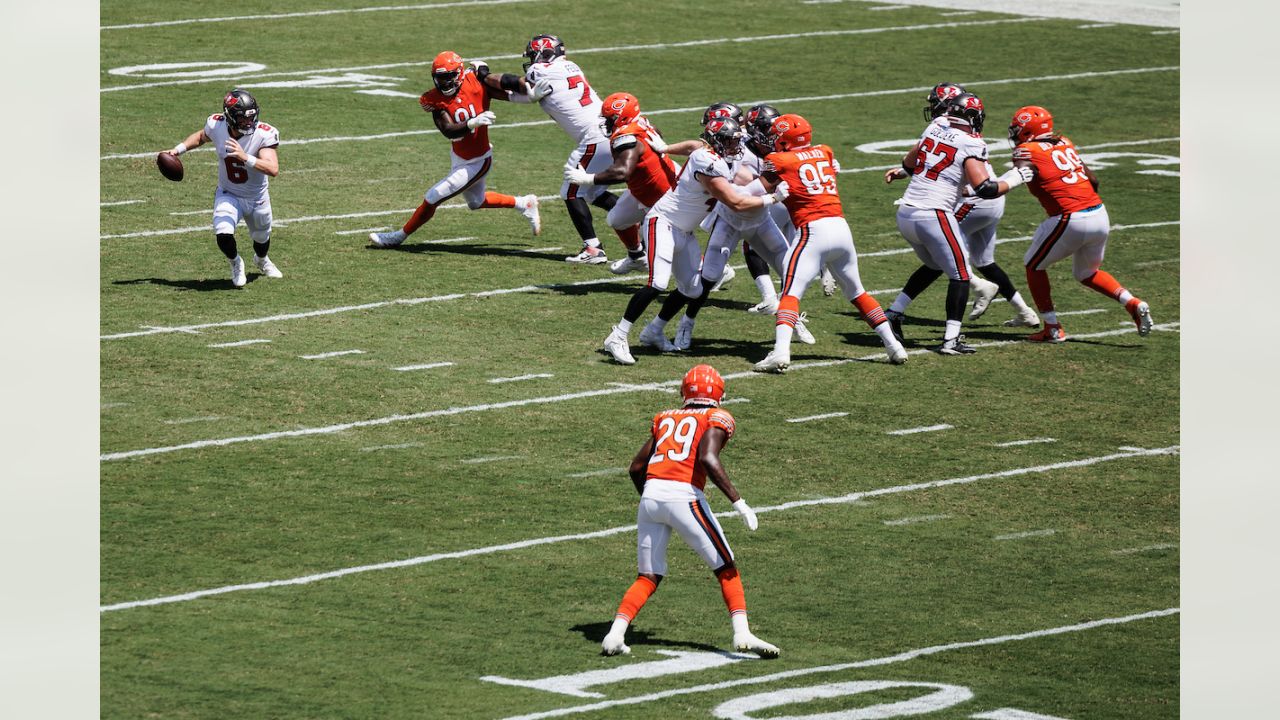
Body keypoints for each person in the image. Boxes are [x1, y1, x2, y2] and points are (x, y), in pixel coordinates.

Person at [601, 364, 779, 658]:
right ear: (719, 391)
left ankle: (615, 634)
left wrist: (651, 498)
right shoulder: (716, 416)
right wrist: (738, 501)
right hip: (683, 495)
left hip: (651, 494)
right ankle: (742, 633)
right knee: (726, 567)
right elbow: (708, 458)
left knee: (648, 575)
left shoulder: (665, 417)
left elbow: (635, 468)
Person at [601, 117, 786, 365]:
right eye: (730, 142)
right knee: (657, 282)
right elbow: (735, 202)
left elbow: (693, 145)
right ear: (718, 143)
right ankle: (618, 336)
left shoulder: (710, 153)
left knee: (693, 289)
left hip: (684, 231)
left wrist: (665, 148)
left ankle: (653, 331)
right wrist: (772, 199)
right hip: (663, 222)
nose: (735, 147)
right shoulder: (708, 162)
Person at [753, 114, 909, 372]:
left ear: (784, 138)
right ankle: (894, 346)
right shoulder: (824, 151)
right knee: (858, 292)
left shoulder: (777, 159)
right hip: (840, 228)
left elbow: (756, 188)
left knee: (790, 294)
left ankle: (780, 352)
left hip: (811, 230)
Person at [654, 103, 815, 351]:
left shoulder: (772, 147)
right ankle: (686, 322)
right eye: (766, 129)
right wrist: (664, 149)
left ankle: (790, 321)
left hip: (760, 220)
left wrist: (813, 166)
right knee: (708, 277)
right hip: (730, 218)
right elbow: (740, 188)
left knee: (790, 272)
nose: (773, 134)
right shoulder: (733, 146)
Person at [882, 84, 1038, 338]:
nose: (933, 108)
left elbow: (917, 161)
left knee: (949, 263)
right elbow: (984, 185)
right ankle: (950, 338)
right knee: (961, 270)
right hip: (947, 205)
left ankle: (895, 313)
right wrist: (1016, 177)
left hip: (929, 206)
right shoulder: (970, 141)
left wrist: (907, 171)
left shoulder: (934, 128)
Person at [1007, 105, 1152, 342]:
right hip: (1099, 214)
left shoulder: (1026, 151)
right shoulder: (1064, 141)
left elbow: (1020, 174)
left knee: (1033, 266)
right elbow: (1092, 180)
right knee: (1086, 272)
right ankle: (1132, 302)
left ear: (1027, 130)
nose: (1015, 134)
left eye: (1018, 129)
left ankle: (1052, 328)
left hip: (1069, 218)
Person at [368, 51, 541, 249]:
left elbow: (507, 92)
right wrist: (472, 123)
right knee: (476, 201)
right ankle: (524, 203)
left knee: (433, 196)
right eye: (440, 78)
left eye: (448, 77)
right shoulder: (434, 99)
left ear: (459, 74)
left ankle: (398, 236)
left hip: (478, 161)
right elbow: (448, 131)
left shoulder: (475, 82)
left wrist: (531, 96)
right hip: (459, 157)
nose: (444, 83)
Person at [518, 34, 623, 265]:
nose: (532, 59)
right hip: (610, 133)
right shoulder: (570, 66)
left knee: (571, 192)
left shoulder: (540, 71)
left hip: (594, 137)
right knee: (593, 192)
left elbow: (511, 82)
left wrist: (484, 76)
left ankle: (593, 248)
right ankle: (639, 238)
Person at [162, 89, 283, 288]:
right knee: (223, 232)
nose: (248, 122)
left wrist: (246, 157)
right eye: (242, 119)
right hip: (229, 193)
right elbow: (201, 136)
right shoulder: (216, 124)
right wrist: (177, 150)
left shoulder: (263, 134)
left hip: (257, 196)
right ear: (229, 117)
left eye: (250, 117)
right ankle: (235, 262)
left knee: (261, 238)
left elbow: (273, 169)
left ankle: (261, 260)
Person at [563, 91, 679, 276]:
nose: (606, 123)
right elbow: (655, 132)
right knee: (617, 219)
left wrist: (588, 179)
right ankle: (636, 257)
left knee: (672, 245)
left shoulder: (627, 138)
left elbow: (622, 172)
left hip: (661, 194)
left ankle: (714, 271)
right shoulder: (640, 122)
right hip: (644, 187)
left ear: (621, 117)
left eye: (611, 118)